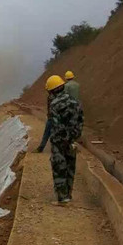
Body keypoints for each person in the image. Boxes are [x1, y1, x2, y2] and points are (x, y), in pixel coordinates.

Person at [46, 75, 84, 205]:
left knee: (59, 167)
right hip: (72, 140)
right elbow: (80, 120)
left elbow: (56, 125)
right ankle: (69, 195)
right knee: (70, 166)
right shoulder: (75, 101)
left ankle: (62, 198)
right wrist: (73, 137)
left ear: (52, 91)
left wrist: (62, 139)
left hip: (59, 141)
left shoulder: (54, 104)